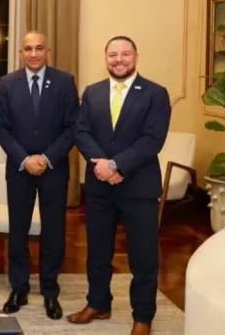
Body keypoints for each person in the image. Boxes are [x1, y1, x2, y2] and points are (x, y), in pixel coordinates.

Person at [69, 36, 171, 335]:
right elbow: (81, 131)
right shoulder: (93, 92)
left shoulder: (155, 93)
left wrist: (116, 165)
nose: (119, 59)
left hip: (139, 187)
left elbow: (153, 139)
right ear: (106, 59)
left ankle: (143, 316)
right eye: (113, 54)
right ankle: (98, 303)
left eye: (125, 54)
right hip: (100, 187)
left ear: (136, 57)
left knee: (143, 256)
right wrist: (101, 164)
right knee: (98, 251)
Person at [0, 32, 79, 319]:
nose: (33, 53)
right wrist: (24, 159)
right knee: (18, 230)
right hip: (19, 170)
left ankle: (50, 291)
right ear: (20, 53)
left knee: (54, 232)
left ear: (48, 50)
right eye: (28, 49)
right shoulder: (7, 83)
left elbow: (72, 127)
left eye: (39, 48)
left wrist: (45, 158)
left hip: (53, 169)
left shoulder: (65, 81)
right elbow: (1, 128)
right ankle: (18, 288)